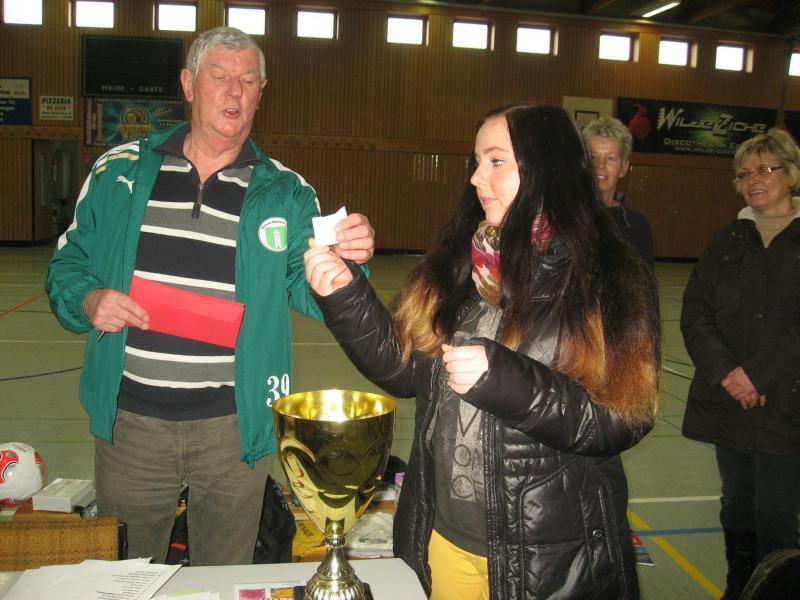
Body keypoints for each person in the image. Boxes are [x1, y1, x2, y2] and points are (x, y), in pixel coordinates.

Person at [45, 26, 374, 566]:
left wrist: (346, 266)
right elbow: (67, 264)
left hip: (234, 428)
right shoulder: (118, 171)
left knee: (223, 578)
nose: (235, 91)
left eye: (249, 80)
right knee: (126, 577)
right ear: (189, 84)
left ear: (261, 93)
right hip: (132, 422)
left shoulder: (286, 192)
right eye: (219, 76)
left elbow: (312, 289)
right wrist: (89, 300)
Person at [304, 105, 661, 599]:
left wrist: (507, 383)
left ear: (544, 168)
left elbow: (622, 418)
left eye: (496, 161)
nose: (475, 177)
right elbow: (404, 370)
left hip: (548, 553)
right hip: (446, 534)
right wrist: (345, 295)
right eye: (476, 161)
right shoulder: (458, 262)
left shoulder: (607, 273)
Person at [680, 128, 800, 600]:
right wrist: (728, 373)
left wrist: (757, 374)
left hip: (787, 408)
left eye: (765, 169)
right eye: (744, 173)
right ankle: (739, 587)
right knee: (736, 507)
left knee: (778, 515)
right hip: (729, 404)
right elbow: (695, 313)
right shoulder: (726, 240)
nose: (753, 180)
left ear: (792, 174)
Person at [582, 116, 654, 263]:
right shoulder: (567, 219)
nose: (600, 165)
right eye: (593, 157)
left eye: (610, 158)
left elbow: (645, 276)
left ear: (624, 168)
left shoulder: (637, 225)